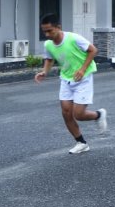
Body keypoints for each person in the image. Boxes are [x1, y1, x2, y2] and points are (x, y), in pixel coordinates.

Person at [34, 14, 107, 154]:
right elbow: (49, 59)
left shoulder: (73, 38)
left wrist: (82, 69)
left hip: (83, 78)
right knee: (66, 113)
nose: (47, 34)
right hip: (66, 79)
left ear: (58, 27)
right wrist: (44, 71)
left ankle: (99, 115)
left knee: (78, 114)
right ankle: (81, 143)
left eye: (49, 30)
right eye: (44, 31)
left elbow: (93, 50)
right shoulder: (48, 44)